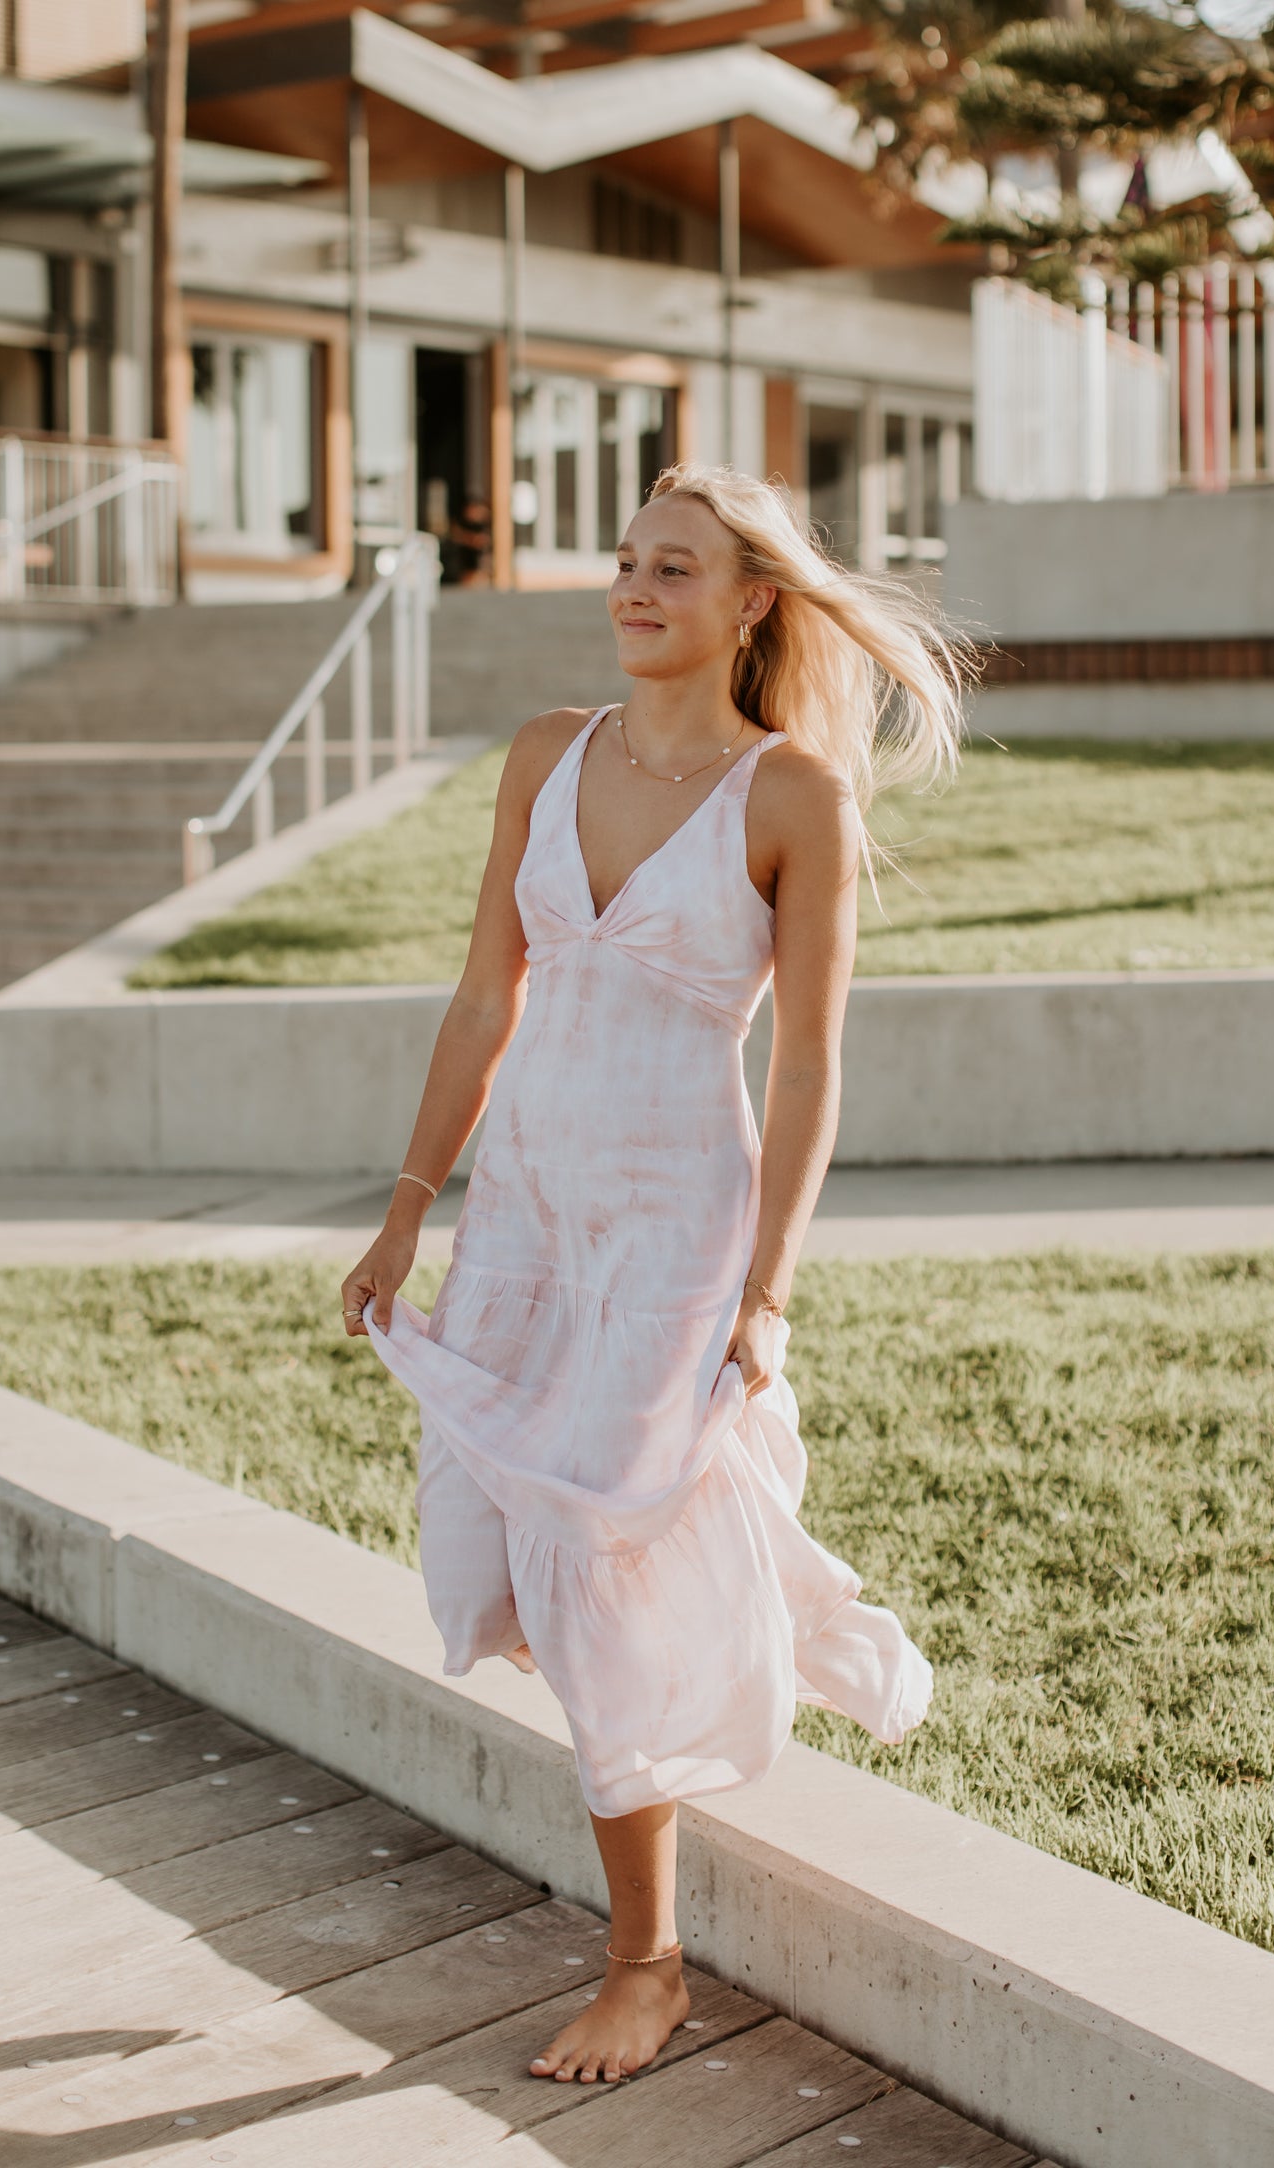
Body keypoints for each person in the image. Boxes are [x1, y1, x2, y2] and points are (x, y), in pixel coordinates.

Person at [340, 461, 965, 2089]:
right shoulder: (546, 756)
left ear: (752, 599)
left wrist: (764, 1294)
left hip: (674, 1233)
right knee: (519, 1569)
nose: (632, 589)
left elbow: (814, 1069)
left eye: (672, 568)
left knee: (600, 1578)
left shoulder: (792, 799)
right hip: (528, 1218)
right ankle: (717, 1643)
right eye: (624, 562)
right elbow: (487, 999)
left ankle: (647, 1965)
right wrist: (409, 1206)